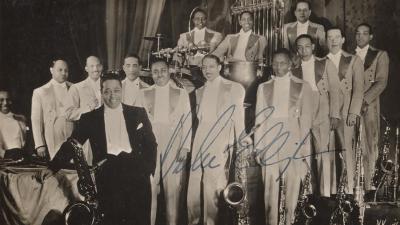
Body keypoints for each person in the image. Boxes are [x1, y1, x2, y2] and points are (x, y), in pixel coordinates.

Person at [38, 72, 157, 225]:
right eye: (106, 91)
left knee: (138, 220)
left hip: (137, 177)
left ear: (122, 91)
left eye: (116, 90)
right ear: (101, 92)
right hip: (108, 177)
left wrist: (147, 170)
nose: (112, 95)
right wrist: (52, 167)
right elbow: (72, 144)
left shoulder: (138, 113)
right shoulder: (89, 118)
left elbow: (151, 144)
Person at [187, 54, 252, 225]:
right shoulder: (198, 91)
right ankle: (193, 221)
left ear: (219, 67)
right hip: (201, 134)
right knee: (194, 182)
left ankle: (211, 222)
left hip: (221, 135)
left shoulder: (234, 87)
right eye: (204, 67)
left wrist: (241, 137)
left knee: (213, 183)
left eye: (211, 66)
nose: (207, 70)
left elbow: (238, 116)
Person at [255, 48, 313, 225]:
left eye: (282, 63)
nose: (278, 66)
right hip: (270, 138)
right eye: (275, 63)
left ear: (290, 64)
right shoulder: (263, 87)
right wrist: (259, 147)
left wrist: (304, 150)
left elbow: (306, 121)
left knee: (292, 185)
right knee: (271, 187)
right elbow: (259, 119)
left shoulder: (303, 86)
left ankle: (289, 221)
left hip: (293, 137)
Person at [141, 60, 192, 225]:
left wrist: (185, 146)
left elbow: (188, 120)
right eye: (155, 71)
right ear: (151, 74)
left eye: (163, 70)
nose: (159, 74)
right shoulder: (143, 93)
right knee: (150, 186)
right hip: (150, 144)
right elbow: (138, 123)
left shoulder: (181, 93)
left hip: (174, 143)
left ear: (169, 71)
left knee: (173, 188)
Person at [291, 34, 340, 196]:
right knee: (304, 150)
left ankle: (326, 193)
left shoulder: (325, 63)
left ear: (313, 47)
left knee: (323, 151)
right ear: (296, 50)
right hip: (302, 109)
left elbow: (335, 89)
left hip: (322, 107)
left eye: (306, 46)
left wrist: (335, 114)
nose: (303, 50)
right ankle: (308, 192)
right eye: (299, 47)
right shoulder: (293, 68)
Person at [326, 27, 364, 194]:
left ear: (342, 40)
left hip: (346, 109)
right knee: (328, 149)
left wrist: (353, 112)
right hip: (327, 110)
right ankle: (331, 189)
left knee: (346, 148)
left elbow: (359, 89)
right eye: (330, 37)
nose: (333, 40)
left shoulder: (354, 60)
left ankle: (349, 189)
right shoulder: (321, 61)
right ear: (326, 40)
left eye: (337, 37)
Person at [355, 23, 389, 190]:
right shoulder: (349, 55)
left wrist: (364, 100)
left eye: (365, 33)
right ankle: (353, 185)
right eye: (358, 33)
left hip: (369, 106)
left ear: (371, 36)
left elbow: (381, 82)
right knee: (353, 144)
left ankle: (370, 186)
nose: (361, 36)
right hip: (351, 106)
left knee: (370, 142)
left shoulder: (380, 55)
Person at [31, 59, 74, 160]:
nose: (63, 73)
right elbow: (36, 120)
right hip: (53, 134)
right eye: (60, 70)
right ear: (51, 70)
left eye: (66, 70)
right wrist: (39, 144)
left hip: (73, 131)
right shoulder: (40, 92)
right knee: (58, 164)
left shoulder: (75, 88)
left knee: (75, 166)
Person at [64, 56, 104, 164]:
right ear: (86, 68)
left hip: (107, 139)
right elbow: (68, 113)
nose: (95, 69)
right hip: (87, 140)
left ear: (102, 67)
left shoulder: (108, 86)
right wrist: (88, 108)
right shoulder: (77, 88)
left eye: (98, 65)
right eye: (92, 66)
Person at [175, 8, 223, 89]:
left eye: (203, 19)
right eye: (197, 19)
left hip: (207, 70)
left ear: (206, 20)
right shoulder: (183, 36)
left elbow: (218, 53)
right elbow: (178, 53)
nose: (200, 21)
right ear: (193, 20)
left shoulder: (216, 35)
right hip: (189, 71)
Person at [0, 88, 27, 159]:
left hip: (22, 156)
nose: (5, 103)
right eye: (1, 100)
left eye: (7, 100)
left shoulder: (21, 118)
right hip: (5, 157)